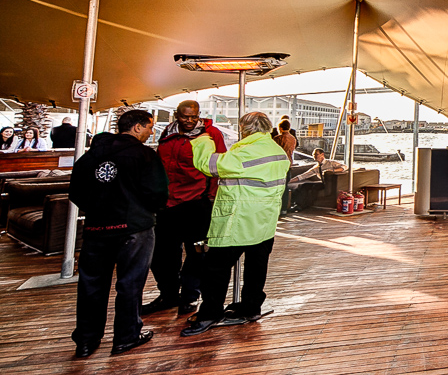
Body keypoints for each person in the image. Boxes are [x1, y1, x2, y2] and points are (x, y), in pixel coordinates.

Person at [68, 109, 168, 358]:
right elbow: (158, 192)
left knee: (91, 284)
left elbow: (75, 191)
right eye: (148, 127)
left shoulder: (90, 157)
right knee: (130, 284)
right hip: (134, 229)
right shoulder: (143, 155)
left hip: (96, 229)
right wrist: (146, 211)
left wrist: (96, 210)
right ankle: (126, 337)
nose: (150, 132)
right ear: (136, 127)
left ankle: (86, 341)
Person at [181, 112, 291, 336]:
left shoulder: (245, 153)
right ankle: (251, 308)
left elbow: (208, 165)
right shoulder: (278, 152)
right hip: (265, 220)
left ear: (245, 129)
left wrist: (202, 139)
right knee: (256, 268)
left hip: (237, 220)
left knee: (216, 270)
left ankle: (210, 314)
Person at [141, 101, 227, 316]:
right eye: (185, 116)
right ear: (176, 115)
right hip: (167, 203)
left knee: (197, 251)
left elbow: (220, 166)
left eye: (193, 116)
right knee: (161, 254)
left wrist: (211, 197)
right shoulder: (167, 134)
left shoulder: (210, 134)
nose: (189, 121)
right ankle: (168, 293)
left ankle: (190, 295)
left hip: (196, 203)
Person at [285, 148, 344, 212]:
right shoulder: (316, 167)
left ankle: (304, 205)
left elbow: (344, 167)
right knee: (304, 186)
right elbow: (303, 176)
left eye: (317, 154)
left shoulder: (330, 163)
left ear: (322, 154)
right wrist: (288, 181)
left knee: (314, 188)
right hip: (322, 183)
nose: (315, 156)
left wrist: (332, 171)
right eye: (313, 155)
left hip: (331, 184)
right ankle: (298, 205)